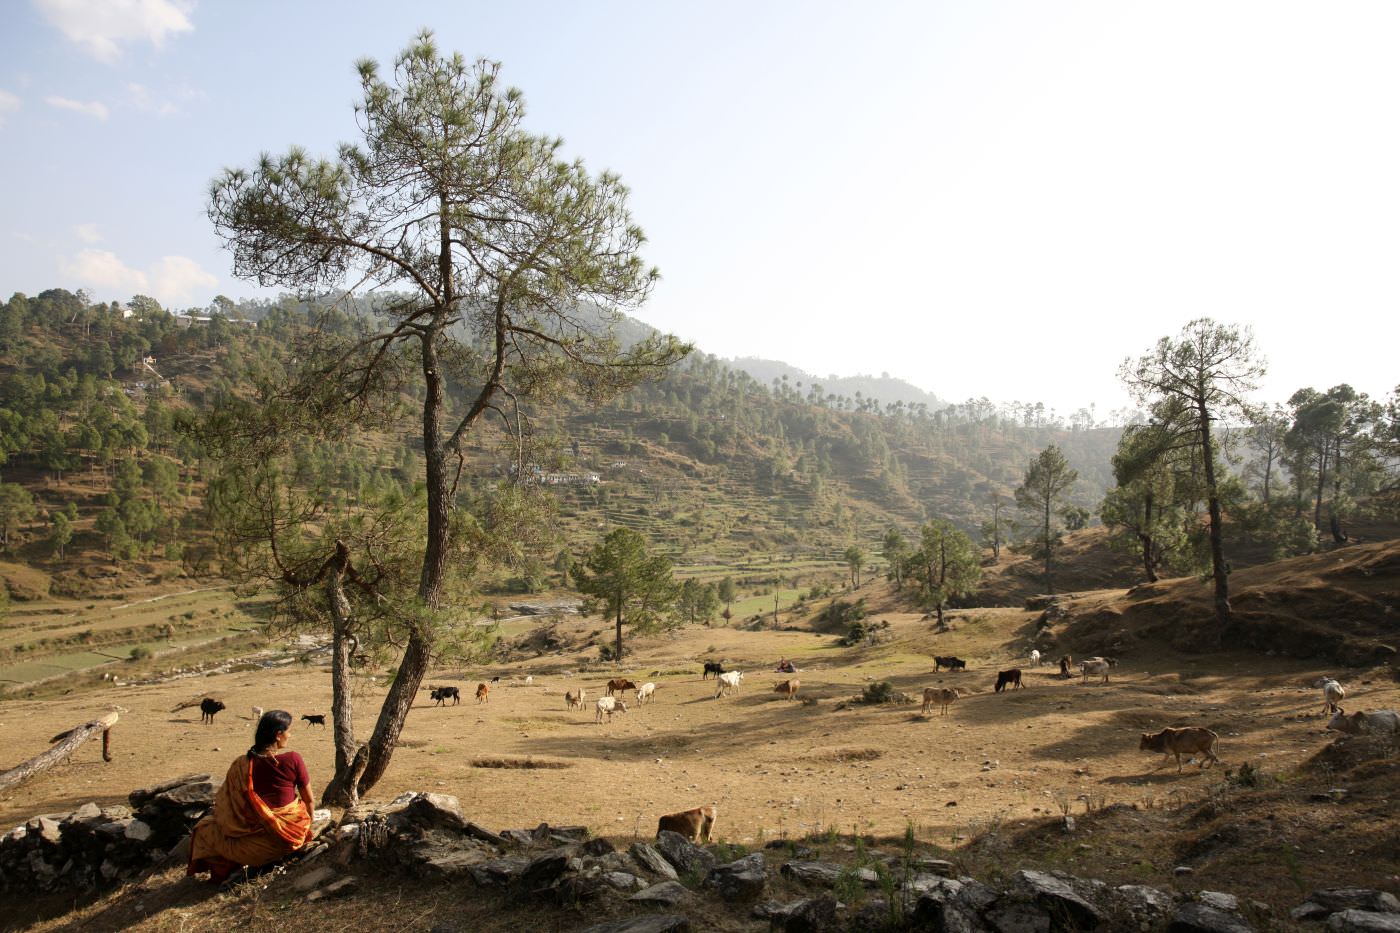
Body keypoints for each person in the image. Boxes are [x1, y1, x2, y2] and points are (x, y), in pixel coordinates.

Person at [188, 709, 314, 883]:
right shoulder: (293, 759)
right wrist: (307, 830)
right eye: (288, 731)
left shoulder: (241, 765)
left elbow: (227, 806)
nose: (290, 735)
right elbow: (309, 800)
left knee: (204, 827)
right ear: (278, 735)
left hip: (251, 851)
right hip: (291, 839)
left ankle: (223, 873)